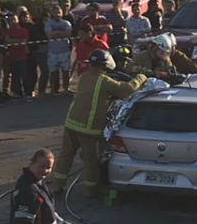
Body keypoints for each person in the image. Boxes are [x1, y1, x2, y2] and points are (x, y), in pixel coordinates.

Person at [48, 50, 145, 198]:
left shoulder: (84, 76)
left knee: (66, 155)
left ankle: (57, 186)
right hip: (88, 128)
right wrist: (140, 78)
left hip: (71, 123)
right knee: (90, 160)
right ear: (104, 65)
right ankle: (91, 190)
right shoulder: (104, 81)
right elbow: (127, 90)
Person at [127, 33, 197, 79]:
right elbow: (130, 69)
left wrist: (167, 63)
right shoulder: (142, 57)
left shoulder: (166, 59)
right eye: (162, 51)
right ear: (155, 48)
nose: (164, 54)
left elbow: (173, 74)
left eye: (165, 52)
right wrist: (151, 73)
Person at [45, 6, 74, 95]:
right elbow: (49, 35)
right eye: (55, 12)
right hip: (53, 51)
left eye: (59, 12)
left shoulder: (66, 23)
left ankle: (66, 89)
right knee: (53, 72)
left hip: (64, 51)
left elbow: (69, 34)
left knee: (65, 72)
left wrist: (56, 33)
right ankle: (53, 90)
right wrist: (62, 34)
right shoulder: (48, 23)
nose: (57, 14)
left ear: (62, 13)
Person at [22, 7, 48, 97]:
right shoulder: (33, 27)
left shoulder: (33, 26)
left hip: (39, 51)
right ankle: (30, 91)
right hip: (32, 52)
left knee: (42, 72)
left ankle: (38, 90)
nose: (25, 18)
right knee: (31, 73)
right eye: (23, 16)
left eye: (26, 16)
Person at [4, 13, 31, 100]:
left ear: (18, 20)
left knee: (24, 76)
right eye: (11, 20)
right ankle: (18, 93)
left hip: (22, 57)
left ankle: (28, 93)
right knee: (15, 77)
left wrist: (13, 41)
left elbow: (23, 42)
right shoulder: (7, 31)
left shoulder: (24, 31)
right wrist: (17, 41)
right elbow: (7, 41)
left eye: (14, 19)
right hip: (12, 57)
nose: (13, 22)